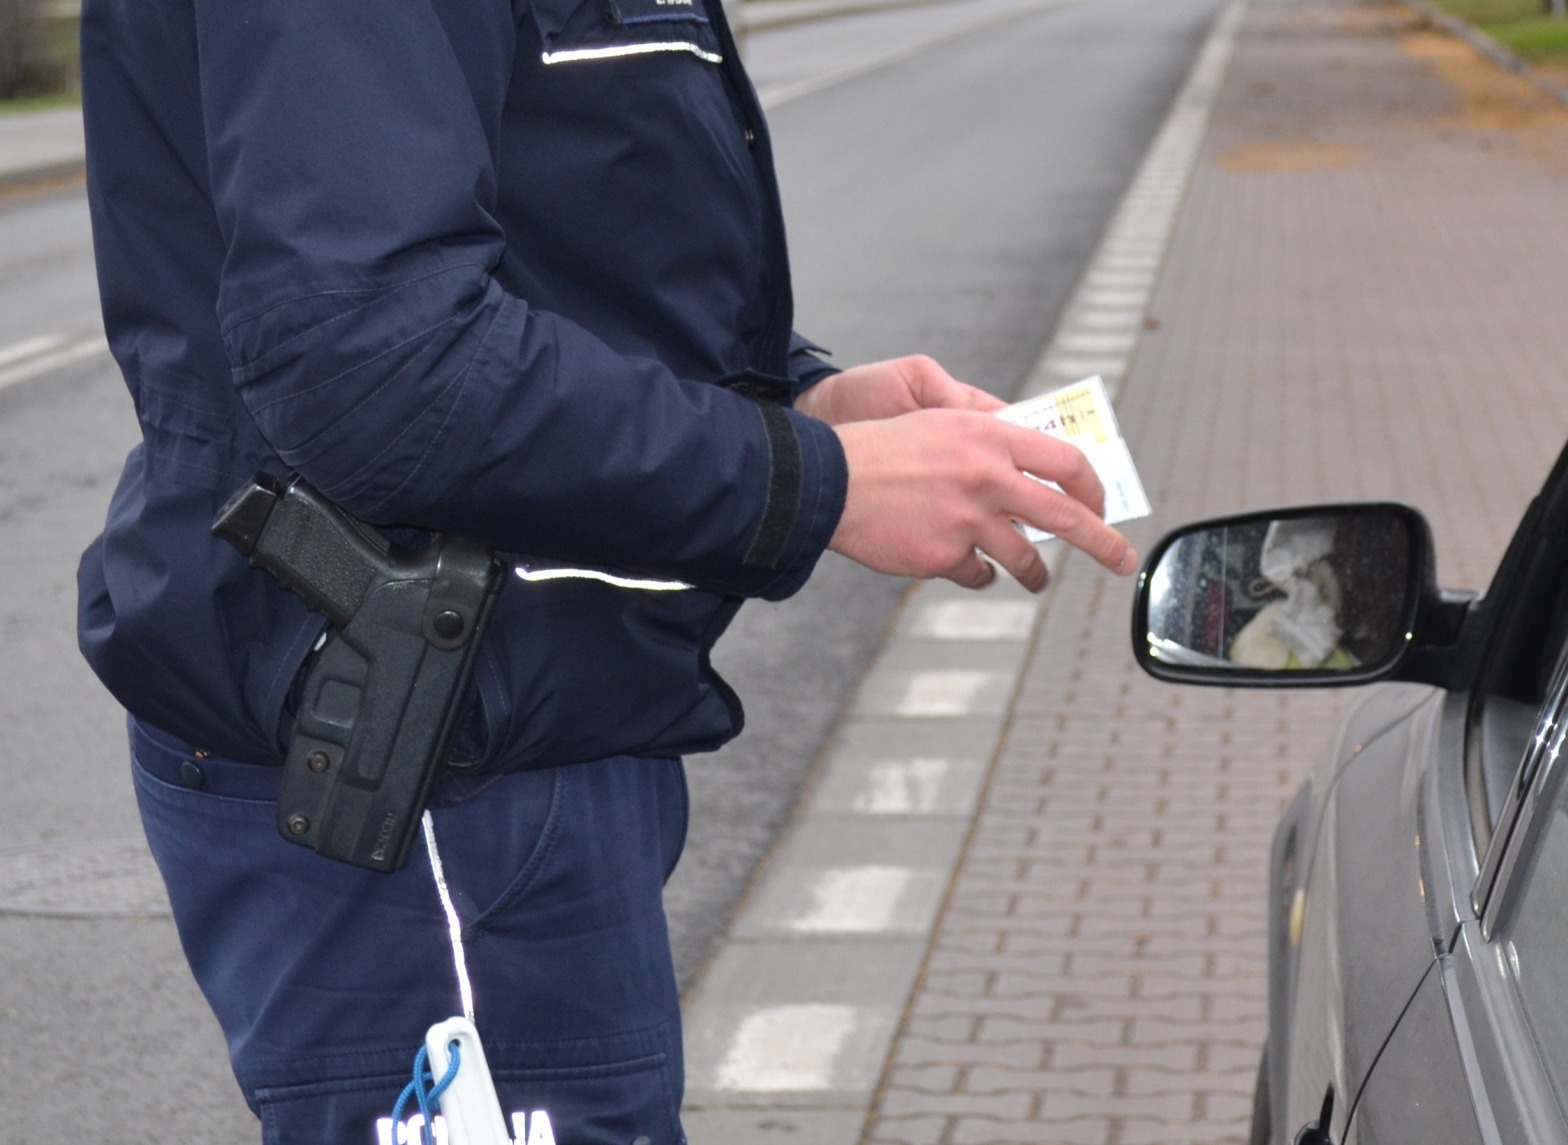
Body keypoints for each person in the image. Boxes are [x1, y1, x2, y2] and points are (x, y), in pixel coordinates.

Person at [74, 0, 1138, 1139]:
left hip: (506, 729)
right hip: (419, 764)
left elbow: (560, 230)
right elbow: (373, 364)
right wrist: (814, 480)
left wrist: (794, 400)